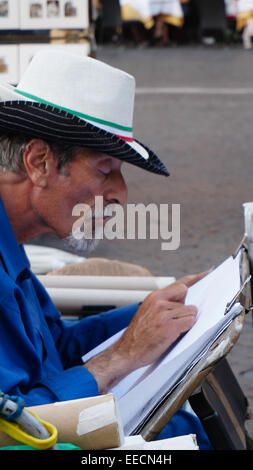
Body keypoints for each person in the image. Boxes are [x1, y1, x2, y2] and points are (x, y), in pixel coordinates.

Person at [0, 50, 211, 449]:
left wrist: (163, 309)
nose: (120, 195)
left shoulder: (11, 248)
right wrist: (123, 355)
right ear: (39, 162)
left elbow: (55, 349)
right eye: (105, 169)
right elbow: (16, 426)